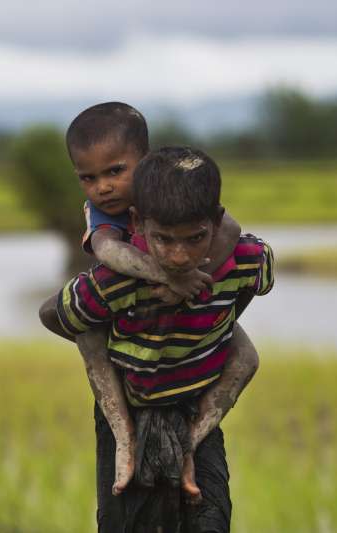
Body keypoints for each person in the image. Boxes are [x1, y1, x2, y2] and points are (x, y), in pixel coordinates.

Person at [40, 146, 274, 532]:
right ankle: (126, 440)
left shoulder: (246, 258)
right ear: (138, 222)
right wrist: (117, 344)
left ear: (216, 223)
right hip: (129, 408)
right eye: (163, 240)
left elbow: (258, 276)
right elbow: (54, 315)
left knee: (209, 518)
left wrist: (214, 322)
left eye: (196, 238)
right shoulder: (116, 279)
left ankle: (190, 448)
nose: (179, 257)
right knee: (124, 520)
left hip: (196, 406)